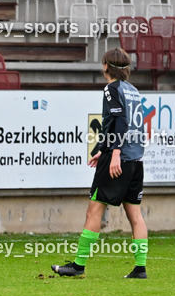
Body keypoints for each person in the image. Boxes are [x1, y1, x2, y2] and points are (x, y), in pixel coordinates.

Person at [53, 49, 150, 279]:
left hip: (119, 157)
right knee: (135, 215)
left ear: (106, 66)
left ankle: (78, 266)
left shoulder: (111, 89)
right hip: (135, 160)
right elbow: (127, 124)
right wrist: (102, 150)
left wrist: (114, 153)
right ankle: (140, 268)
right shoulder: (133, 90)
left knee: (94, 210)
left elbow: (120, 121)